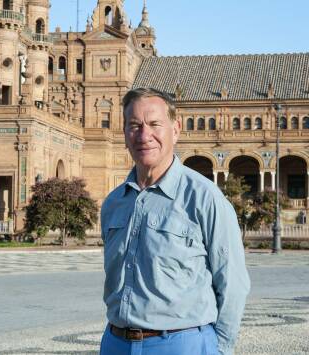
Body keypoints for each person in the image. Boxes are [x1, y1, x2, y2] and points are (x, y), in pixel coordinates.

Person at [100, 87, 250, 355]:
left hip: (181, 343)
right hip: (116, 342)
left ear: (176, 130)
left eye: (155, 124)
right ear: (124, 133)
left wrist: (219, 348)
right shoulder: (114, 203)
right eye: (134, 125)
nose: (144, 135)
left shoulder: (205, 198)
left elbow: (233, 281)